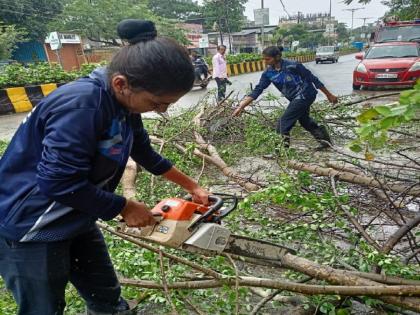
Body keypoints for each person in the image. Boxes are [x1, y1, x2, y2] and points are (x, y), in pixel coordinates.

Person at [0, 19, 209, 315]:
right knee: (42, 308)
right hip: (31, 226)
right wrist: (124, 206)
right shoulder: (83, 106)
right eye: (156, 103)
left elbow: (145, 153)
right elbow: (57, 182)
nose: (161, 111)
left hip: (76, 216)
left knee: (107, 299)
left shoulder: (124, 105)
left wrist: (192, 186)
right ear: (121, 84)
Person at [233, 46, 338, 149]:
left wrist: (329, 95)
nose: (265, 62)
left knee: (283, 122)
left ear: (277, 57)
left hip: (306, 94)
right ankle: (325, 142)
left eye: (268, 59)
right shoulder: (268, 73)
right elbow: (258, 90)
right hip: (295, 98)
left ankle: (281, 151)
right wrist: (241, 106)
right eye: (264, 59)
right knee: (304, 120)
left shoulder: (293, 66)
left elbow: (313, 79)